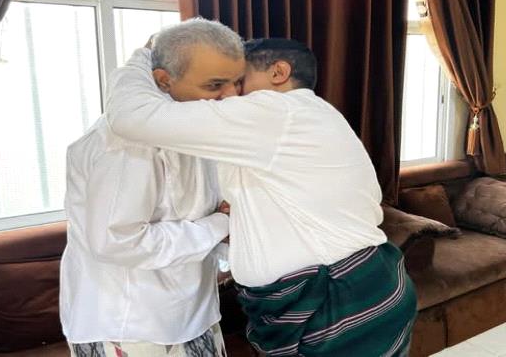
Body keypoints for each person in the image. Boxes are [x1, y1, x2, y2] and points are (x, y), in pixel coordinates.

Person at [105, 21, 418, 356]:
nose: (229, 94)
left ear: (278, 73)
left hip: (335, 299)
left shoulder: (276, 112)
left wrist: (144, 57)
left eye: (239, 81)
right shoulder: (311, 116)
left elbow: (131, 117)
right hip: (354, 290)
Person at [60, 19, 246, 356]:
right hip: (133, 325)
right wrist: (219, 224)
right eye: (215, 84)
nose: (231, 96)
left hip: (193, 312)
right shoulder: (125, 145)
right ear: (163, 80)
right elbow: (117, 240)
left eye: (237, 82)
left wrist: (226, 233)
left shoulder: (190, 126)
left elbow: (196, 213)